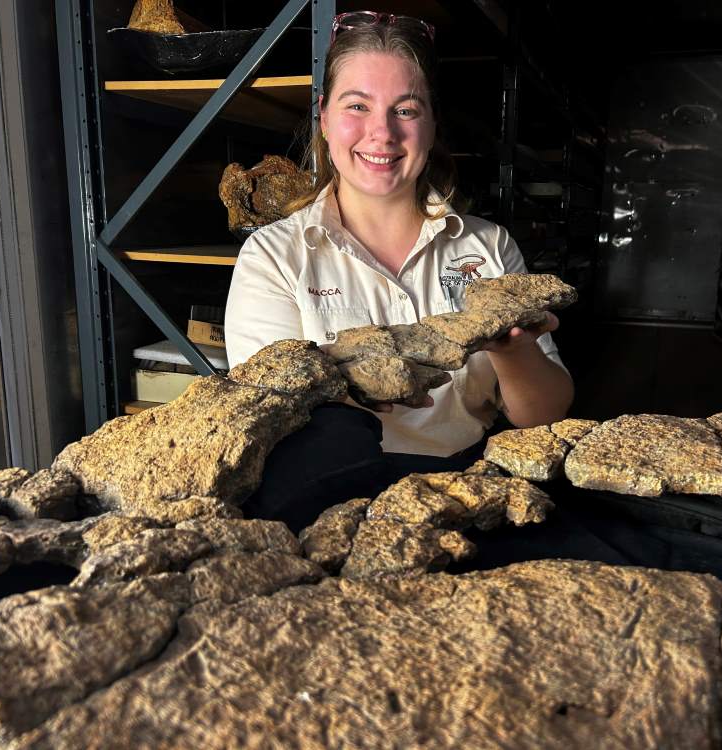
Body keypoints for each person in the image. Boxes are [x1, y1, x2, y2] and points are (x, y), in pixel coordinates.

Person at [225, 10, 574, 530]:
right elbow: (271, 417)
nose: (381, 133)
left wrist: (516, 349)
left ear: (432, 124)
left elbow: (544, 416)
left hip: (467, 490)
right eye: (357, 106)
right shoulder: (274, 257)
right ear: (323, 117)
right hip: (329, 499)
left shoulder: (489, 245)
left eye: (406, 110)